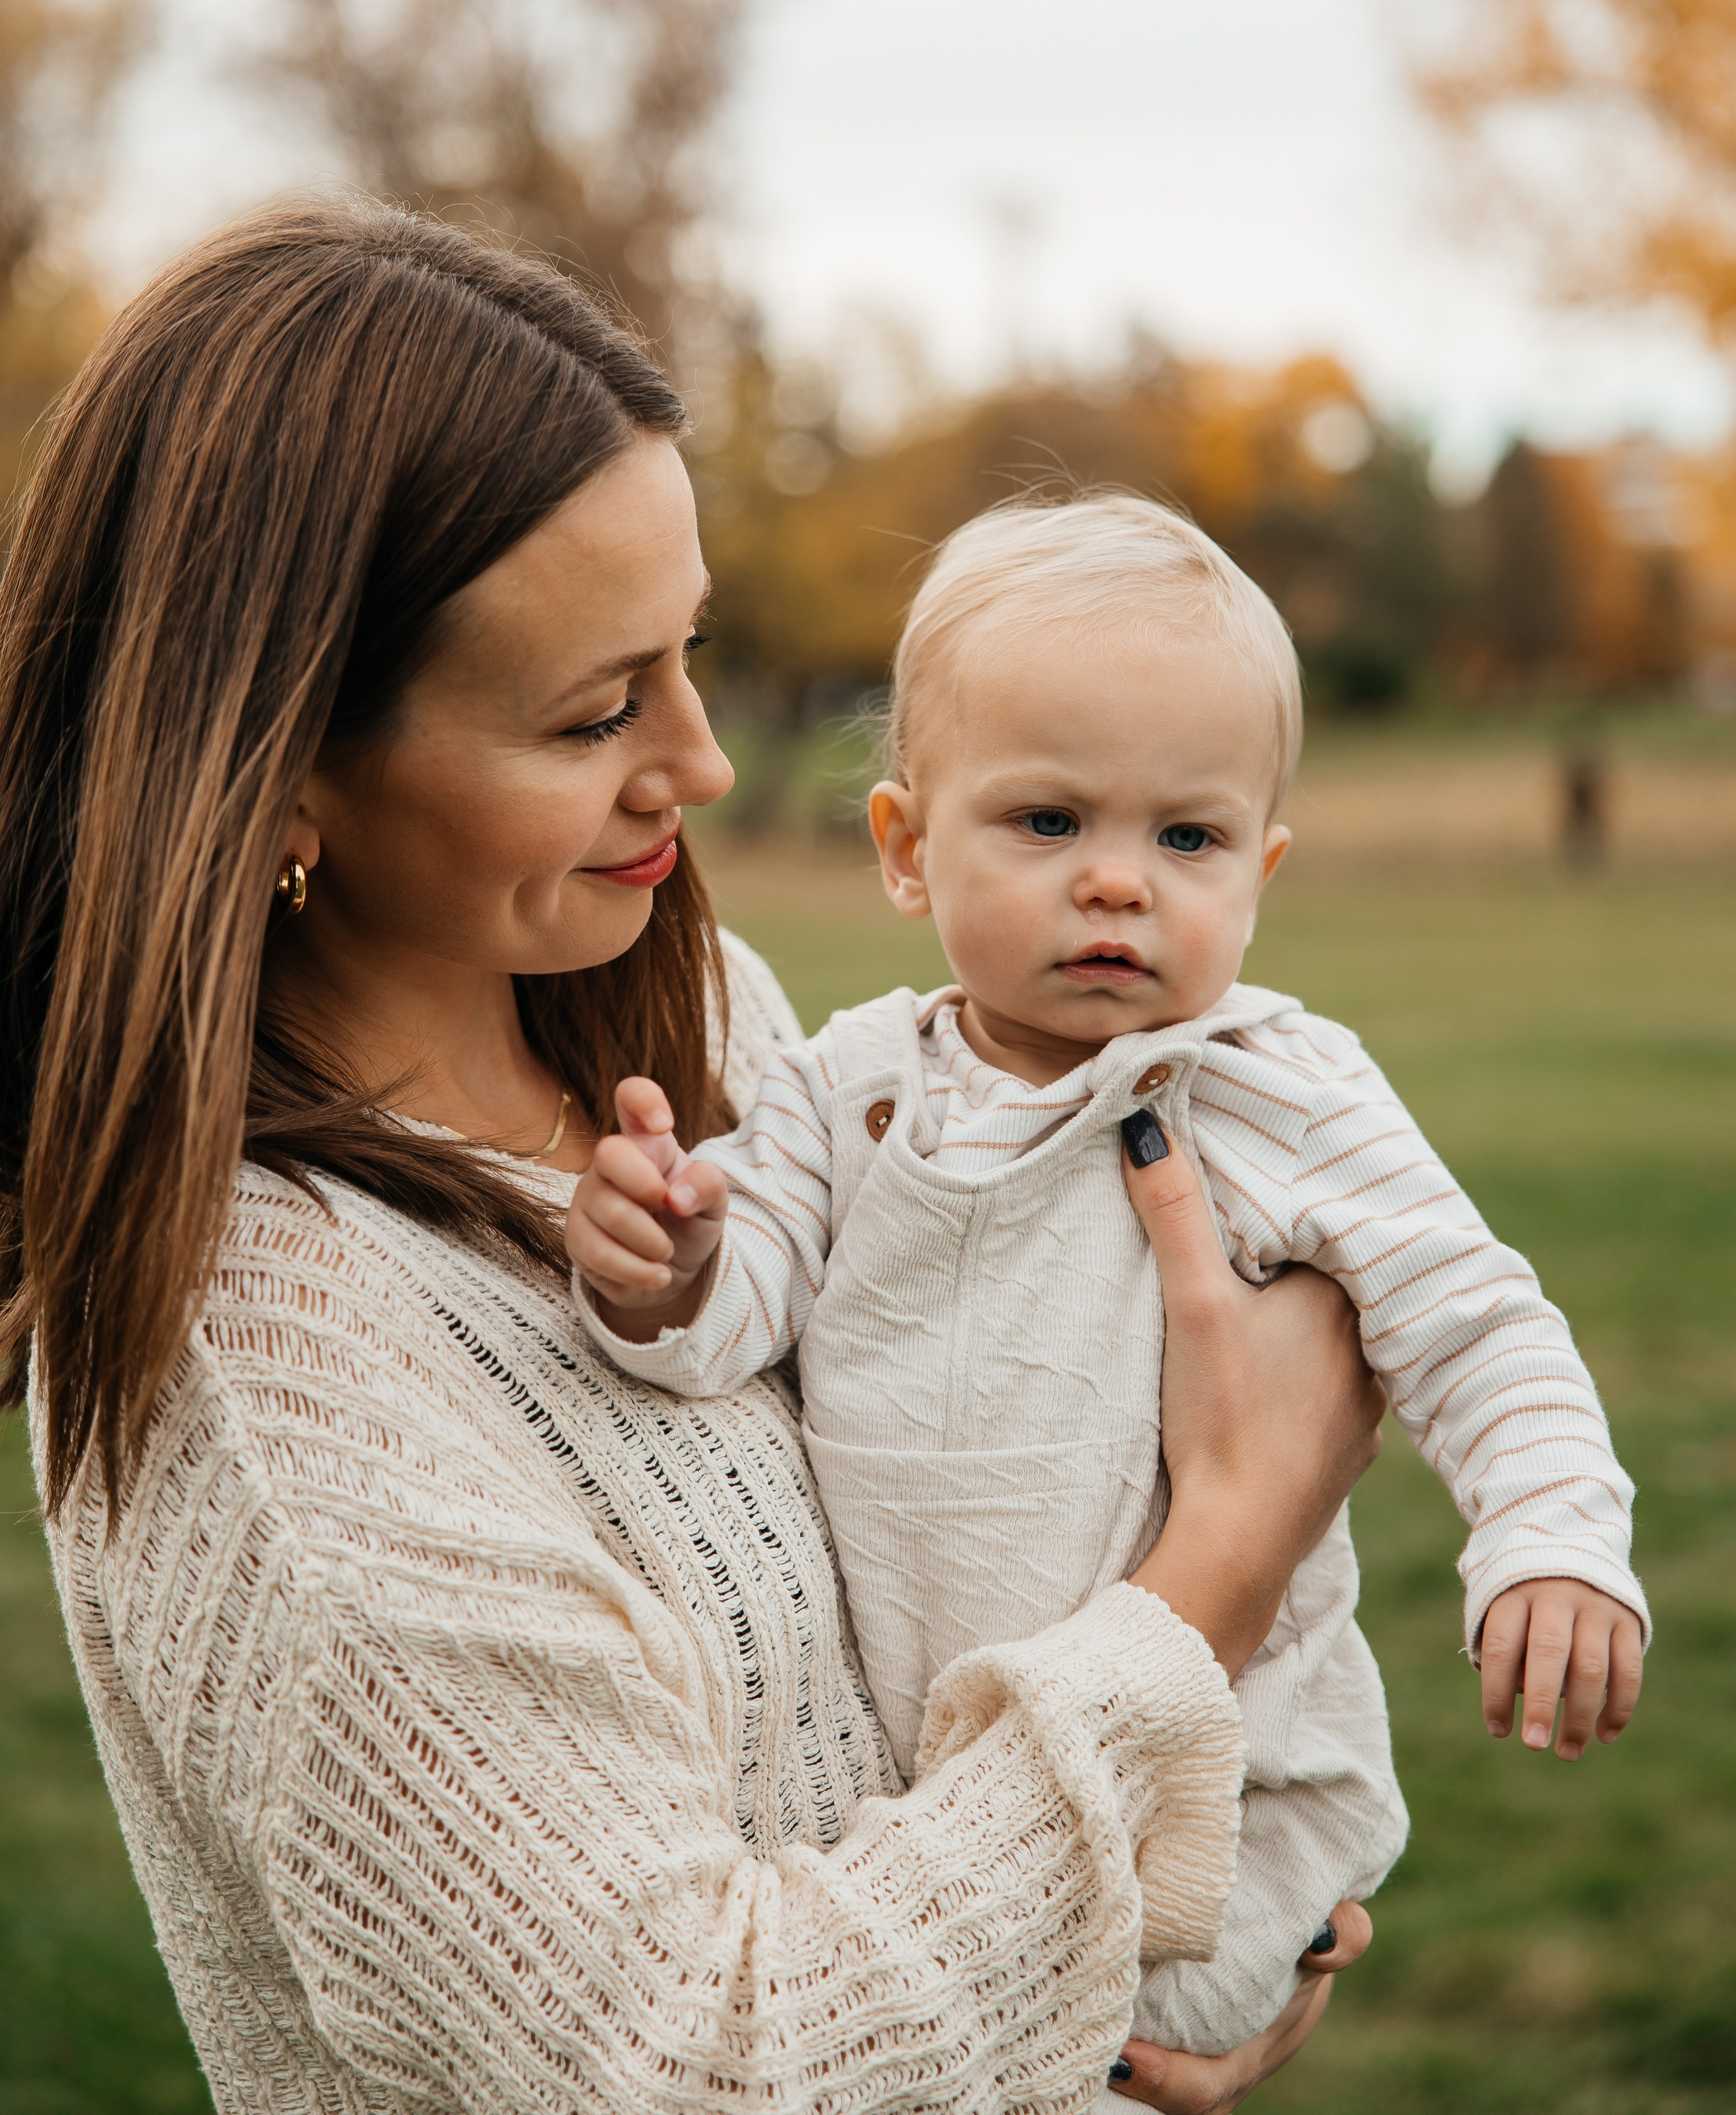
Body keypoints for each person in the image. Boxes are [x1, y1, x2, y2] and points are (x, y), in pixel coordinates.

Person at [0, 201, 1384, 2115]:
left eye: (688, 653)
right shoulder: (262, 1373)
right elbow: (705, 2066)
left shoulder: (708, 1029)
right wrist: (1224, 1558)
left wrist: (1176, 1966)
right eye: (594, 711)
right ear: (284, 767)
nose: (707, 760)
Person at [569, 491, 1650, 2065]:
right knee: (959, 2040)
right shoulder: (848, 1085)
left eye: (1186, 838)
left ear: (1259, 869)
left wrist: (1550, 1532)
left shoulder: (1271, 1088)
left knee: (1144, 2030)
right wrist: (669, 1267)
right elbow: (740, 1314)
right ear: (904, 847)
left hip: (1228, 1756)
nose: (1117, 882)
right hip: (928, 1773)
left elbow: (1474, 1319)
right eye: (1049, 822)